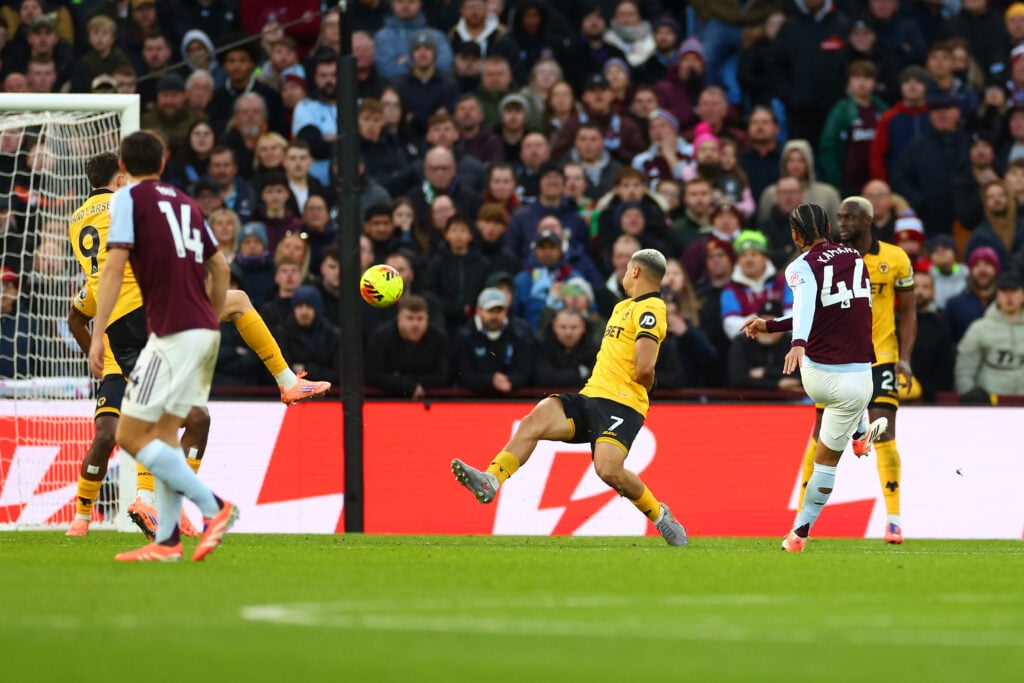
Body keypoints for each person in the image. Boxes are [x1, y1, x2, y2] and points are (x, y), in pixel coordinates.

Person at [65, 153, 329, 539]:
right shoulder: (128, 202)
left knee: (183, 416)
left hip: (121, 322)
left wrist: (95, 346)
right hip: (153, 304)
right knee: (237, 302)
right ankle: (287, 380)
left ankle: (154, 503)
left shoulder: (78, 221)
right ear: (121, 179)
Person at [451, 249, 688, 546]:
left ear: (636, 272)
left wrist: (645, 384)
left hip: (622, 404)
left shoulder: (651, 308)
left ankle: (660, 516)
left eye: (628, 269)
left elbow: (644, 367)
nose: (626, 274)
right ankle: (491, 479)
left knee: (608, 469)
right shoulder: (622, 307)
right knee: (535, 419)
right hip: (591, 396)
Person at [86, 131, 237, 562]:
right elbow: (220, 267)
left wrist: (98, 336)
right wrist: (209, 315)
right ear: (164, 161)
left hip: (171, 332)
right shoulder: (187, 204)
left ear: (123, 167)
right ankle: (167, 541)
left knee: (132, 433)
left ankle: (214, 507)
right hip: (201, 329)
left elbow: (113, 271)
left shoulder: (128, 200)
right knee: (166, 433)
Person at [740, 203, 880, 553]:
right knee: (839, 432)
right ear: (829, 226)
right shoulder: (855, 257)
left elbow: (805, 306)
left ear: (795, 234)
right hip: (860, 377)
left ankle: (799, 534)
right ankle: (860, 434)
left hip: (818, 374)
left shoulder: (800, 266)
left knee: (825, 460)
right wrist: (773, 325)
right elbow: (819, 307)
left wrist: (796, 341)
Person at [794, 196, 915, 545]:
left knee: (887, 430)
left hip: (882, 355)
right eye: (840, 217)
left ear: (869, 220)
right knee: (820, 433)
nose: (844, 222)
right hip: (837, 359)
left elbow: (908, 311)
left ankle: (893, 520)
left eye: (852, 217)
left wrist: (905, 356)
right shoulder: (830, 260)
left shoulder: (895, 259)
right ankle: (804, 513)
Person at [365, 294, 450, 398]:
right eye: (410, 318)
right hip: (387, 399)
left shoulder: (439, 339)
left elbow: (443, 376)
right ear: (399, 319)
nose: (415, 325)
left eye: (420, 319)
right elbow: (373, 375)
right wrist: (408, 386)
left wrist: (408, 383)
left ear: (427, 319)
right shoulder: (381, 336)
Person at [955, 272, 1024, 397]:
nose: (1009, 296)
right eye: (1004, 291)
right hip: (989, 405)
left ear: (1022, 295)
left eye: (1014, 291)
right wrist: (971, 400)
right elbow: (965, 370)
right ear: (997, 295)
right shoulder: (979, 328)